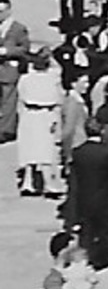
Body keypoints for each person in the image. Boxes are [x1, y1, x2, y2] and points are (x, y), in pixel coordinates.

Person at [16, 50, 62, 197]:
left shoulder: (25, 78)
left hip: (30, 115)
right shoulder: (52, 78)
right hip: (44, 114)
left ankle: (29, 183)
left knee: (32, 150)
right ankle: (46, 185)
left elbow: (21, 97)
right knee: (44, 150)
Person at [0, 0, 31, 141]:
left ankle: (6, 130)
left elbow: (24, 49)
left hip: (9, 69)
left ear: (8, 11)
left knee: (8, 101)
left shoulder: (18, 28)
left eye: (1, 11)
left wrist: (7, 51)